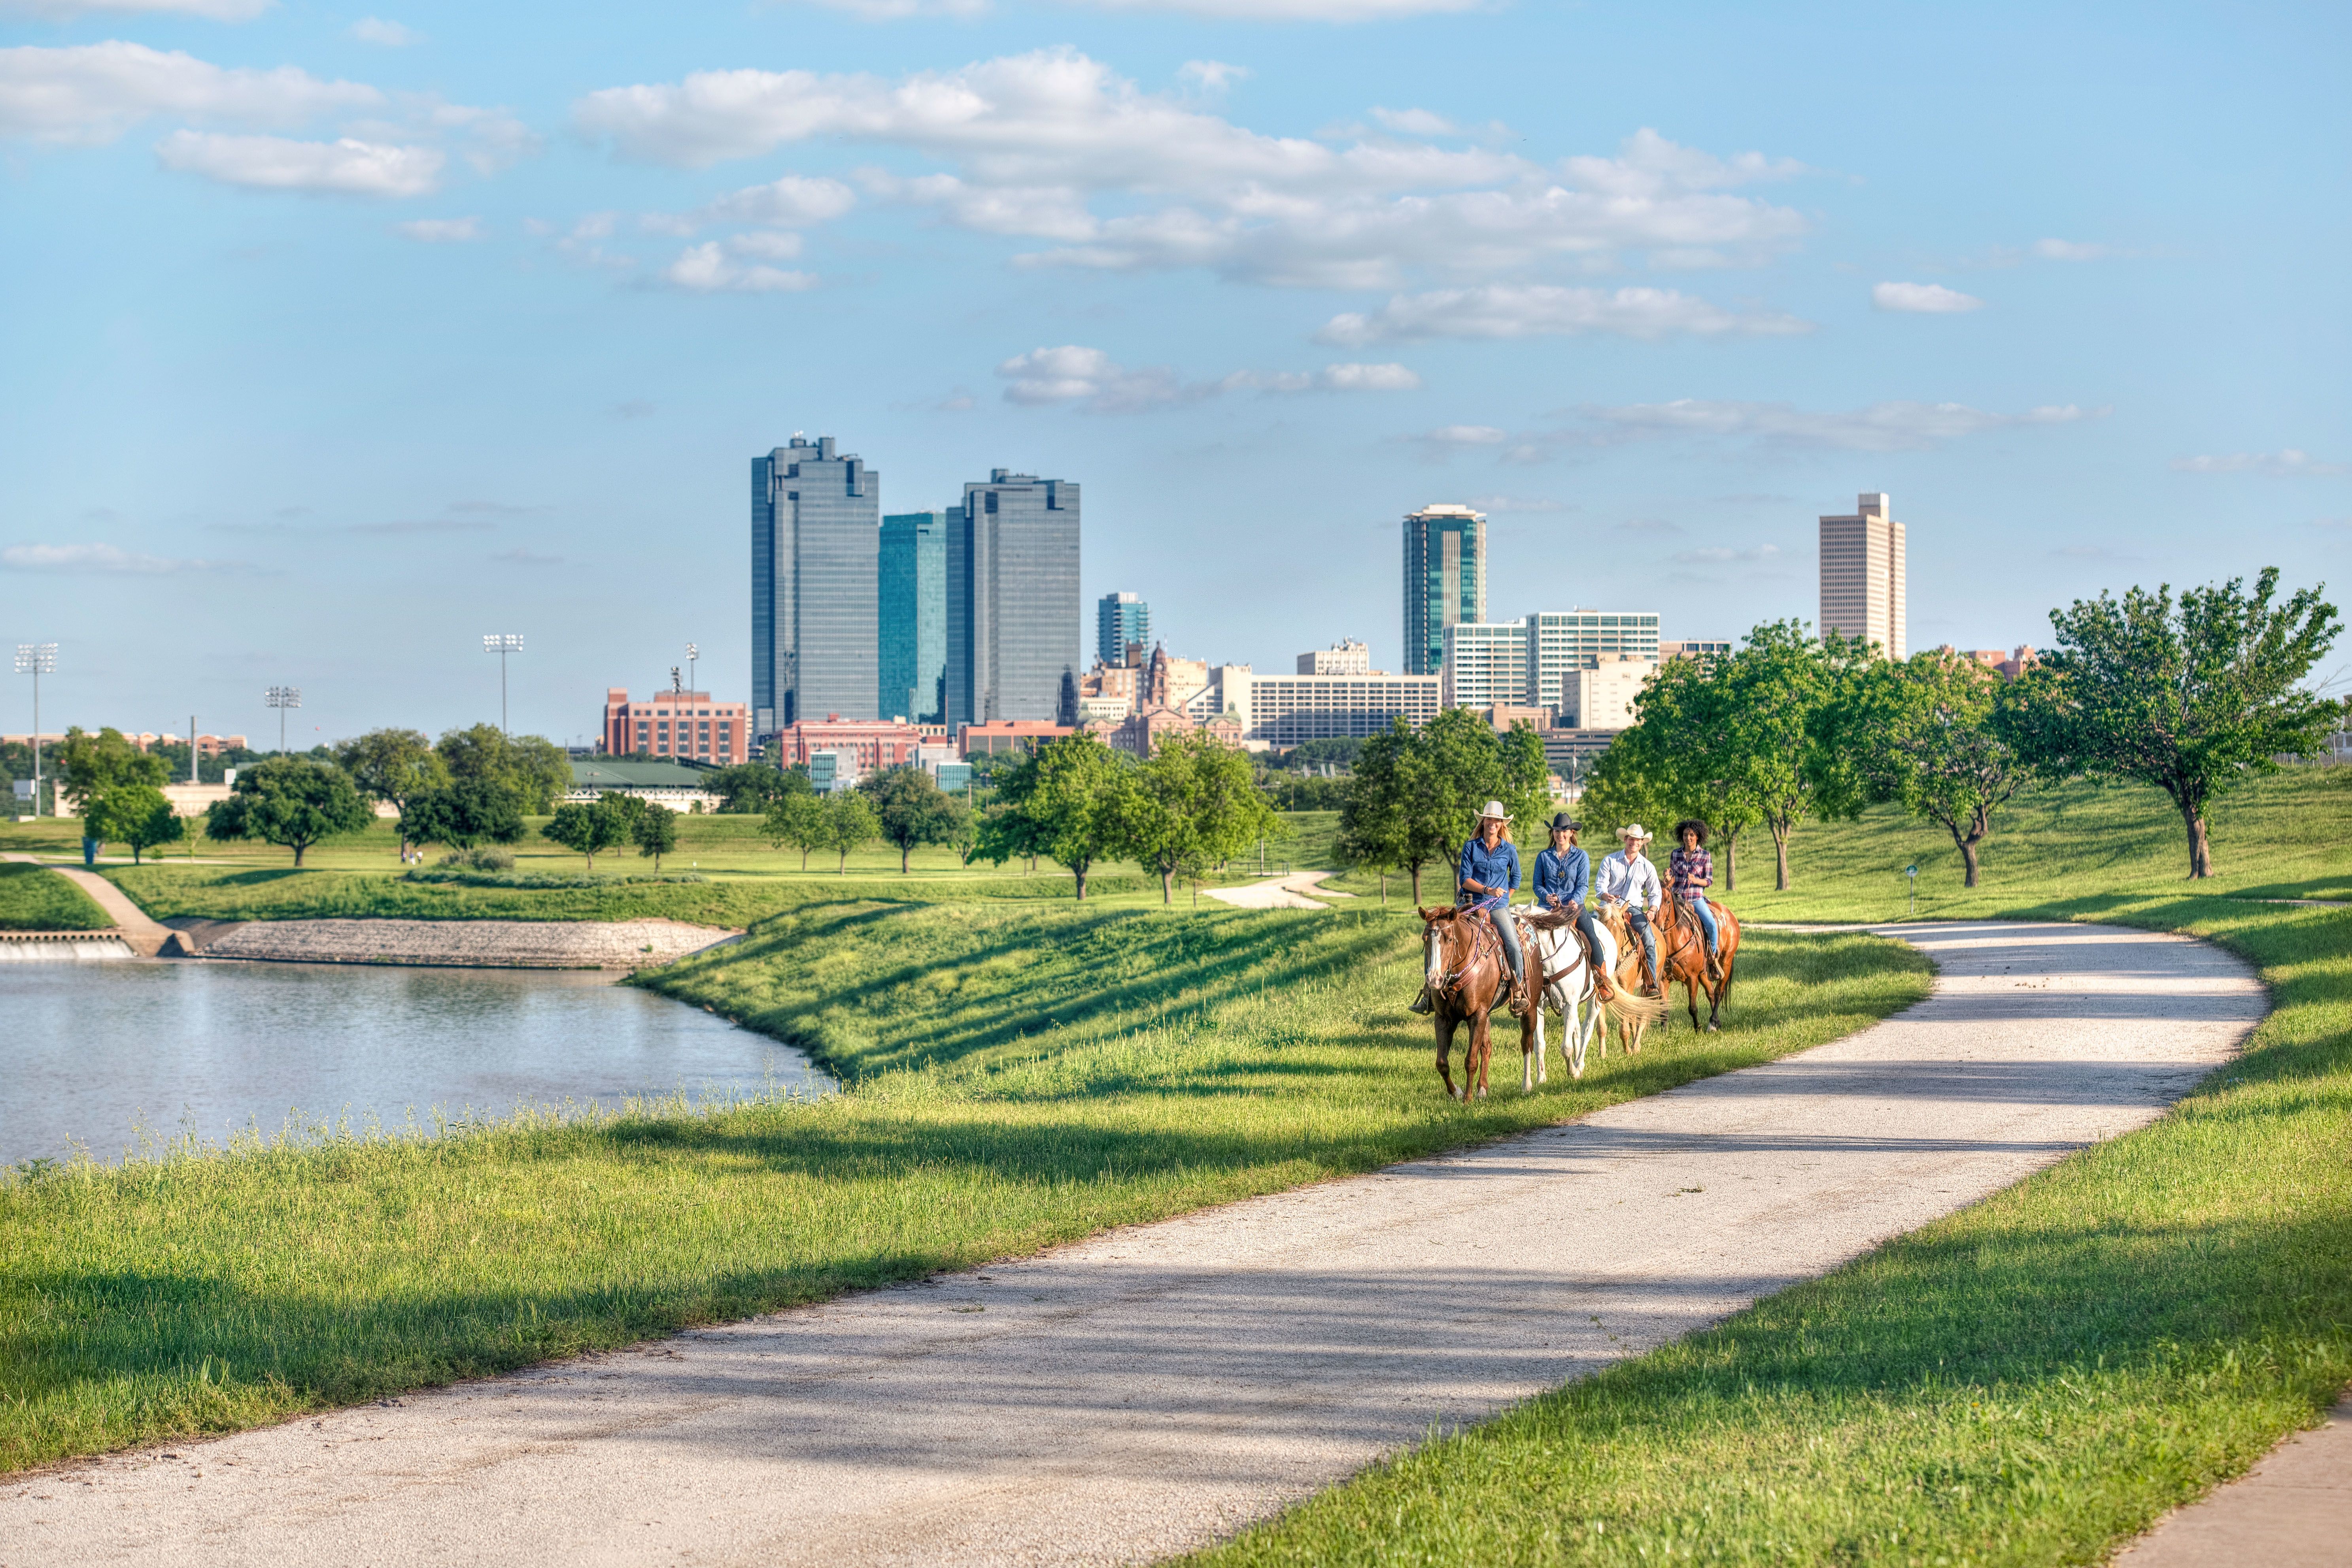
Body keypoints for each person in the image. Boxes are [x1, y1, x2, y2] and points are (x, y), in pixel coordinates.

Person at [1410, 801, 1528, 1016]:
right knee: (1438, 935)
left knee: (1513, 943)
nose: (1493, 823)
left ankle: (1517, 989)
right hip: (1471, 903)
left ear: (1502, 825)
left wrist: (1502, 900)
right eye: (1489, 819)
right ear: (1483, 822)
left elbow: (1516, 879)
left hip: (1498, 907)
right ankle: (1428, 993)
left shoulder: (1510, 850)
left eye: (1497, 820)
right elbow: (1465, 879)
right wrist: (1488, 890)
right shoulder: (1471, 847)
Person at [1532, 812, 1616, 1003]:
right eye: (1556, 831)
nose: (1560, 835)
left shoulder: (1581, 856)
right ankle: (1522, 982)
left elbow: (1583, 886)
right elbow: (1537, 884)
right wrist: (1546, 895)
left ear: (1571, 833)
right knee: (1528, 940)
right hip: (1547, 908)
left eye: (1564, 831)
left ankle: (1601, 981)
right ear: (1552, 833)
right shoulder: (1543, 857)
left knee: (1591, 936)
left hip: (1573, 907)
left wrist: (1576, 900)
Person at [1594, 823, 1663, 994]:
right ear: (1625, 840)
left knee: (1648, 938)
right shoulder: (1610, 860)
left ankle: (1651, 981)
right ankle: (1587, 976)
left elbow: (1656, 893)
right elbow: (1600, 887)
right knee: (1588, 932)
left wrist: (1653, 910)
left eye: (1638, 840)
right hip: (1609, 909)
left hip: (1633, 909)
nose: (1634, 843)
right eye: (1631, 839)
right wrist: (1606, 896)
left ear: (1642, 844)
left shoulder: (1648, 867)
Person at [1668, 818, 1724, 984]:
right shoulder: (1676, 854)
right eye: (1686, 835)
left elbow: (1709, 881)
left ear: (1698, 836)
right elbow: (1672, 879)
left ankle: (1712, 960)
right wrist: (1668, 878)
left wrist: (1696, 880)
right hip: (1677, 898)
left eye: (1692, 835)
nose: (1688, 838)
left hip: (1695, 899)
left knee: (1711, 924)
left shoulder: (1705, 856)